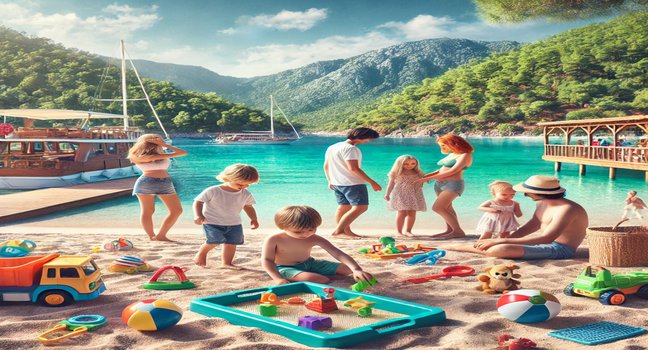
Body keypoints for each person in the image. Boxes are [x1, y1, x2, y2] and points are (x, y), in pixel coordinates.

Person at [443, 175, 588, 260]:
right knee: (499, 245)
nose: (525, 194)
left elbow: (547, 238)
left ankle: (461, 247)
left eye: (528, 191)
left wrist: (501, 240)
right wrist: (505, 239)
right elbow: (534, 224)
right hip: (546, 244)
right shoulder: (543, 203)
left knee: (500, 249)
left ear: (542, 193)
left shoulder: (567, 209)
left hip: (561, 249)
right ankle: (471, 247)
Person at [261, 205, 374, 285]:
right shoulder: (273, 239)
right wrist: (277, 278)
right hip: (284, 268)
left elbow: (338, 254)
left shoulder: (314, 238)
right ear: (282, 227)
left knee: (347, 269)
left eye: (311, 229)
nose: (306, 234)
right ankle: (322, 277)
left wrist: (356, 269)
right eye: (298, 232)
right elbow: (267, 260)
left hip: (310, 263)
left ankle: (320, 275)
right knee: (317, 279)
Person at [193, 164, 259, 269]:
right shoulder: (213, 190)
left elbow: (248, 206)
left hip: (234, 223)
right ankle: (202, 253)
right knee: (214, 240)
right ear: (228, 178)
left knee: (232, 243)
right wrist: (198, 215)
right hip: (212, 222)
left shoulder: (245, 193)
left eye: (248, 184)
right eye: (240, 184)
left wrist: (254, 219)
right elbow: (198, 202)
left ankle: (227, 263)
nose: (244, 187)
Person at [323, 127, 382, 239]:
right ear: (362, 136)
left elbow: (326, 166)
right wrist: (372, 182)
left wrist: (329, 180)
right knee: (361, 207)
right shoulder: (351, 149)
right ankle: (339, 231)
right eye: (369, 138)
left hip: (337, 183)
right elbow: (353, 169)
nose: (368, 141)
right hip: (352, 183)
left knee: (343, 207)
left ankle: (346, 231)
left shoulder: (333, 147)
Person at [128, 134, 187, 241]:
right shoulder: (136, 155)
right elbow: (151, 158)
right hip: (146, 183)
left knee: (177, 210)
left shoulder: (161, 153)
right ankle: (151, 236)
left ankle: (161, 235)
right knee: (148, 211)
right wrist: (161, 146)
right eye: (155, 140)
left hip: (165, 183)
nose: (159, 141)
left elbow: (183, 153)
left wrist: (164, 145)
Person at [415, 134, 474, 239]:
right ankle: (450, 230)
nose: (441, 148)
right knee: (447, 208)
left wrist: (426, 179)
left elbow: (453, 170)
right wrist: (426, 175)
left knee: (438, 207)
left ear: (453, 144)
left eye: (443, 145)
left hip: (453, 184)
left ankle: (458, 231)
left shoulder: (465, 155)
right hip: (440, 184)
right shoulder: (453, 154)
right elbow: (442, 169)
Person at [384, 155, 427, 237]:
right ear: (400, 164)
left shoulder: (418, 172)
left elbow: (423, 181)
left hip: (414, 194)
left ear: (416, 163)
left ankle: (408, 231)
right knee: (401, 212)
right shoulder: (396, 172)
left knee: (412, 212)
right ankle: (398, 231)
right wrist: (387, 193)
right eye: (406, 164)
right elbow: (391, 183)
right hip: (400, 193)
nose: (410, 166)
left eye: (413, 163)